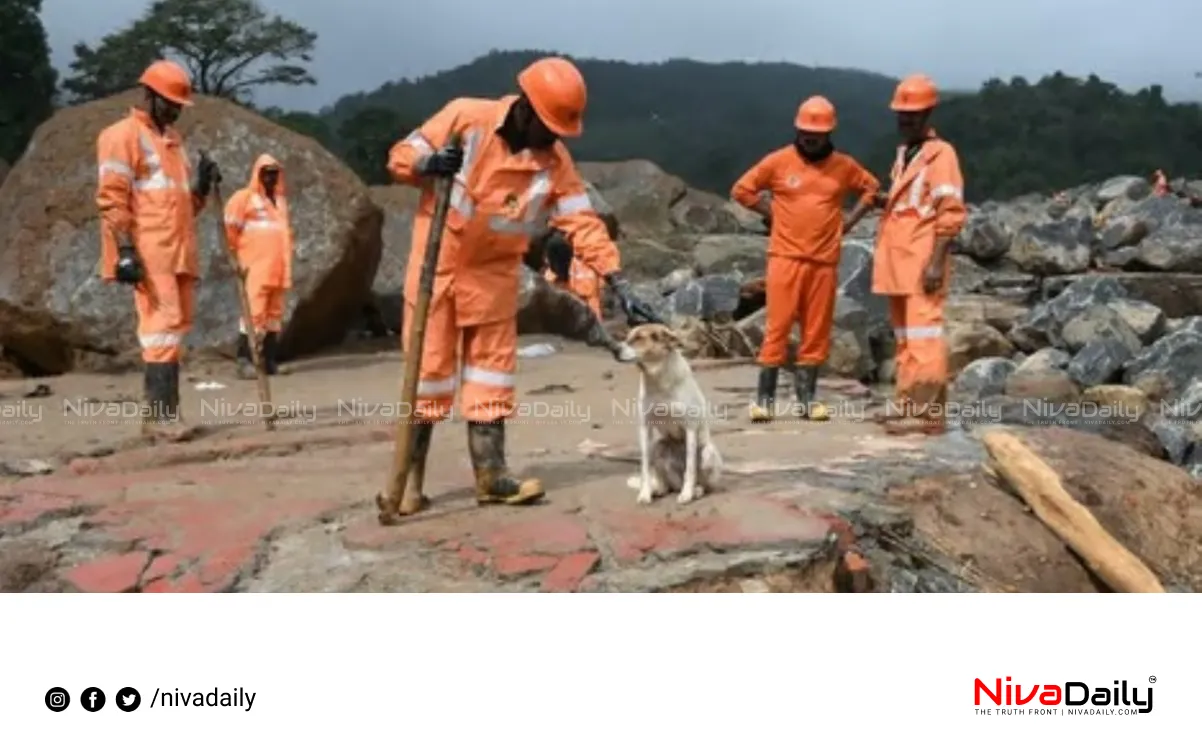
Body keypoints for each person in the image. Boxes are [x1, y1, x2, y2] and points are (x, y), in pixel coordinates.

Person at [385, 56, 660, 515]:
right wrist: (427, 164)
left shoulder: (555, 163)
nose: (553, 138)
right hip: (440, 269)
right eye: (548, 127)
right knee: (428, 377)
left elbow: (582, 222)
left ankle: (491, 477)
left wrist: (619, 280)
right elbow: (400, 156)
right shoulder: (465, 118)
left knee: (491, 380)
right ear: (525, 110)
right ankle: (408, 483)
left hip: (494, 277)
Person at [731, 95, 880, 423]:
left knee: (816, 332)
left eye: (817, 133)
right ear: (797, 130)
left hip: (824, 262)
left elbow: (871, 189)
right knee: (777, 327)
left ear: (829, 133)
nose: (810, 138)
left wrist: (850, 222)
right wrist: (772, 212)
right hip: (785, 258)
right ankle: (764, 401)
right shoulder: (779, 161)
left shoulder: (844, 166)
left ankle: (808, 401)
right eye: (805, 132)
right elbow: (742, 190)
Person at [95, 59, 221, 442]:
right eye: (169, 102)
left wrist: (199, 187)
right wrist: (126, 251)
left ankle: (167, 414)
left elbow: (183, 206)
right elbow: (111, 200)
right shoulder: (121, 136)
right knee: (160, 329)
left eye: (179, 104)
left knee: (175, 328)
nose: (175, 110)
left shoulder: (174, 144)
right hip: (150, 250)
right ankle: (160, 418)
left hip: (179, 249)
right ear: (148, 95)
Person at [872, 74, 967, 435]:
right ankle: (908, 404)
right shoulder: (905, 155)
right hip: (899, 261)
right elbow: (912, 204)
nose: (905, 120)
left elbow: (950, 211)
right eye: (901, 114)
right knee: (906, 337)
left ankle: (926, 414)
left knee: (924, 335)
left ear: (928, 114)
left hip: (922, 259)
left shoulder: (941, 155)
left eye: (912, 114)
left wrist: (936, 261)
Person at [223, 154, 293, 379]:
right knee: (254, 314)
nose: (271, 177)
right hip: (254, 266)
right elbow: (229, 230)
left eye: (274, 173)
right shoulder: (244, 198)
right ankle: (245, 360)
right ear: (258, 174)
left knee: (274, 316)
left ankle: (269, 361)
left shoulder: (280, 201)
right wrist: (234, 257)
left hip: (279, 267)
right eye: (266, 173)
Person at [541, 227, 603, 318]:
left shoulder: (586, 277)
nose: (546, 262)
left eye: (550, 261)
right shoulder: (549, 277)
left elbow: (593, 315)